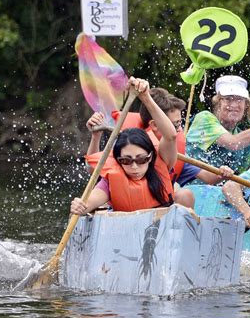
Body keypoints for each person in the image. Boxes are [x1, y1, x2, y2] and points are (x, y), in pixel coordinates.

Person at [85, 87, 234, 208]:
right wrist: (95, 136)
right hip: (125, 212)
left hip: (160, 210)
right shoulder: (128, 149)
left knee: (183, 194)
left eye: (143, 159)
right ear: (155, 124)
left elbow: (209, 177)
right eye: (174, 125)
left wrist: (222, 172)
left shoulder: (170, 155)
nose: (179, 130)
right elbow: (95, 171)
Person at [70, 77, 177, 215]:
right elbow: (87, 200)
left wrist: (146, 98)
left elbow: (171, 136)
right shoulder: (110, 181)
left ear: (151, 156)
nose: (134, 167)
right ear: (118, 159)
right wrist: (79, 207)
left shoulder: (162, 160)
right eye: (126, 160)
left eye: (141, 159)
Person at [186, 75, 250, 179]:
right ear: (218, 103)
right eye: (228, 99)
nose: (234, 104)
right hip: (188, 190)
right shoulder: (204, 119)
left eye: (239, 99)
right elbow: (233, 143)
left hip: (221, 194)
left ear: (246, 106)